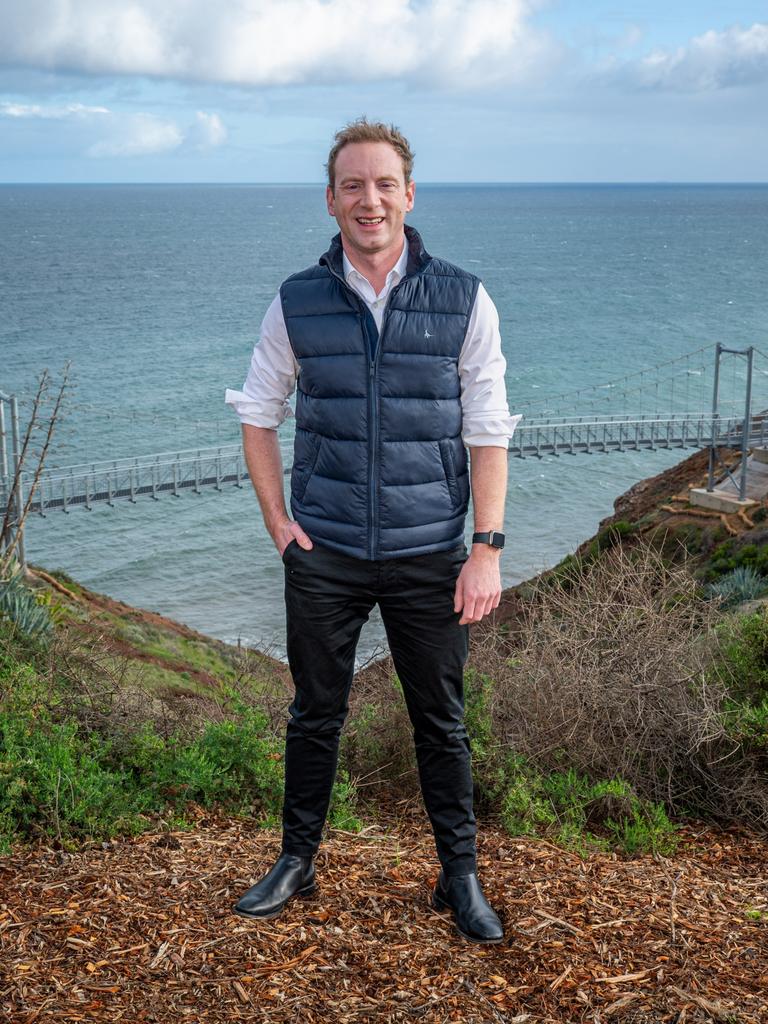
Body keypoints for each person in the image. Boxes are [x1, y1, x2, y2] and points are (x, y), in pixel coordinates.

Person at [224, 118, 519, 944]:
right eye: (352, 185)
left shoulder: (465, 298)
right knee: (316, 713)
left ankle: (458, 878)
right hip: (326, 551)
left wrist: (485, 552)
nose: (369, 198)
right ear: (330, 200)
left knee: (442, 721)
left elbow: (488, 431)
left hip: (432, 555)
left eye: (384, 183)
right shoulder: (296, 301)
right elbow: (258, 415)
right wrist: (280, 524)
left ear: (409, 195)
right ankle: (297, 861)